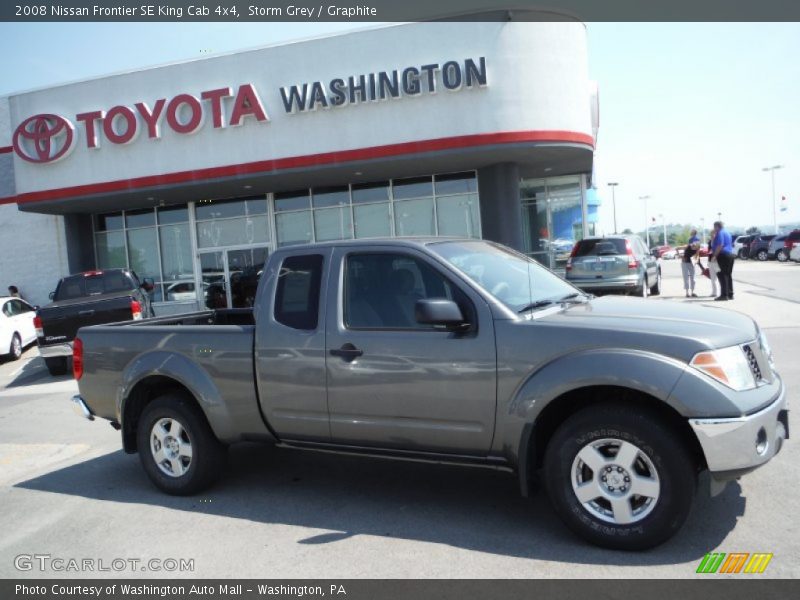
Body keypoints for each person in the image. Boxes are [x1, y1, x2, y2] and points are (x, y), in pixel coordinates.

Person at [710, 221, 734, 301]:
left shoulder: (720, 233)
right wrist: (713, 237)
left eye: (714, 227)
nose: (714, 229)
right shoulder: (727, 232)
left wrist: (715, 256)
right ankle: (730, 294)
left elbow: (720, 245)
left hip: (723, 255)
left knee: (722, 275)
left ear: (717, 226)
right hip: (730, 254)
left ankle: (724, 295)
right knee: (728, 275)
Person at [681, 229, 700, 297]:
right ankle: (690, 292)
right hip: (689, 259)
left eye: (691, 232)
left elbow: (696, 249)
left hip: (690, 259)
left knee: (688, 277)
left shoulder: (694, 239)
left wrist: (696, 258)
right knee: (690, 277)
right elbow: (696, 250)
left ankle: (689, 292)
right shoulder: (692, 240)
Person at [706, 230, 720, 298]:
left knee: (719, 277)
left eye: (713, 234)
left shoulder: (718, 242)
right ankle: (714, 292)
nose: (712, 235)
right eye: (711, 234)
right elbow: (709, 251)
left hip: (717, 261)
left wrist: (715, 257)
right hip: (710, 261)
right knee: (713, 278)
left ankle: (720, 292)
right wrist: (708, 262)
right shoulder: (709, 242)